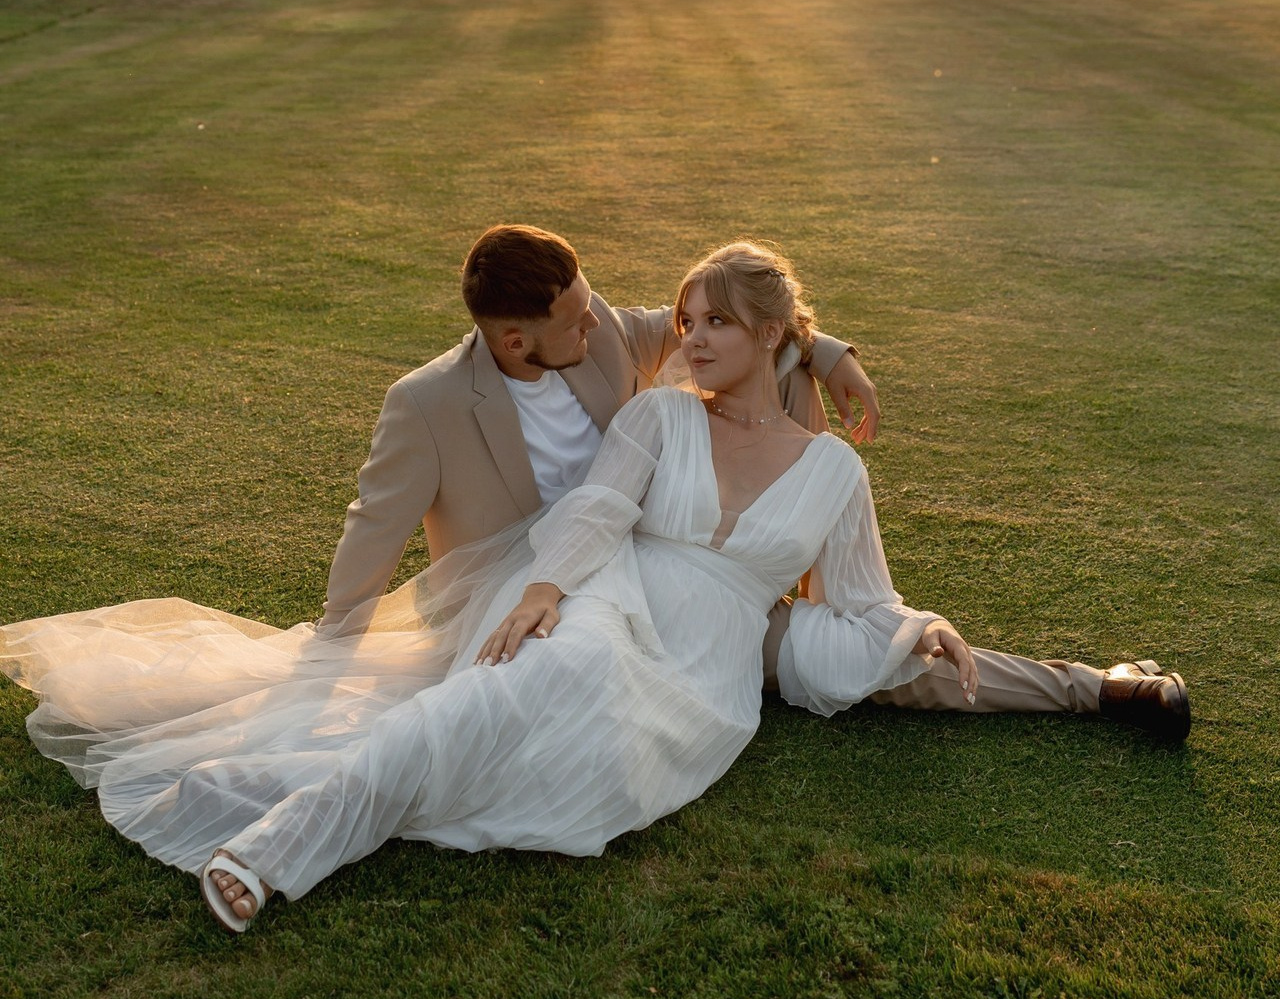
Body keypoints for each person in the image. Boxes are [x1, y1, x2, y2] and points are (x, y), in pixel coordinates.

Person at [0, 242, 1188, 937]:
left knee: (894, 668)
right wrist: (542, 586)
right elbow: (598, 507)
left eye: (714, 323)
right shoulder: (661, 408)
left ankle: (1097, 690)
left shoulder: (829, 468)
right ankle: (274, 842)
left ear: (769, 333)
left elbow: (869, 601)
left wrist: (915, 618)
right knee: (505, 691)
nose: (683, 335)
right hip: (602, 591)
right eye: (684, 321)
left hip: (718, 654)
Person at [316, 224, 878, 639]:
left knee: (789, 377)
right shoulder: (426, 402)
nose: (593, 320)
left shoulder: (599, 329)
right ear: (515, 343)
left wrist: (828, 356)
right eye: (576, 319)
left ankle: (818, 585)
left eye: (589, 305)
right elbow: (375, 526)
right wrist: (336, 643)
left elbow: (737, 324)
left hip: (642, 562)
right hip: (521, 589)